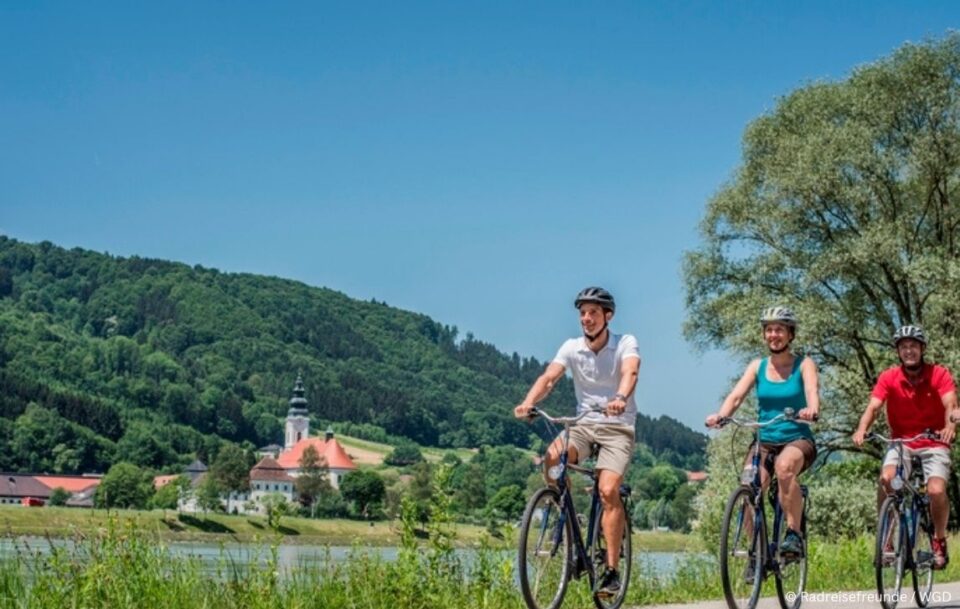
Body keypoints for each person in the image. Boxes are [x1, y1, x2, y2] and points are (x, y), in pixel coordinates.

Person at [514, 286, 640, 597]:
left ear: (607, 316)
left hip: (617, 425)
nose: (586, 318)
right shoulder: (571, 347)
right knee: (552, 458)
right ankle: (565, 513)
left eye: (593, 312)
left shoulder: (625, 342)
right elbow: (550, 377)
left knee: (608, 489)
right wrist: (529, 401)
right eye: (583, 313)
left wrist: (621, 397)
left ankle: (611, 571)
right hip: (583, 424)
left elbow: (630, 371)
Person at [705, 306, 820, 567]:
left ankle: (793, 534)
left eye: (779, 329)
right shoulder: (758, 366)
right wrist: (721, 416)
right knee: (749, 485)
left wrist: (812, 409)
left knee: (784, 467)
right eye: (769, 329)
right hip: (764, 440)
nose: (773, 334)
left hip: (797, 438)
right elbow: (736, 396)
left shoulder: (804, 364)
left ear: (790, 334)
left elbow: (812, 390)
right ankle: (757, 550)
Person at [852, 325, 957, 569]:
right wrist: (861, 429)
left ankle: (939, 539)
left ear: (922, 349)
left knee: (935, 491)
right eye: (903, 347)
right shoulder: (889, 377)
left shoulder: (939, 374)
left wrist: (949, 425)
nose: (908, 351)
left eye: (913, 346)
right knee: (887, 479)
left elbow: (950, 402)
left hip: (934, 441)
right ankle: (886, 538)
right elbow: (874, 406)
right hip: (901, 442)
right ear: (898, 351)